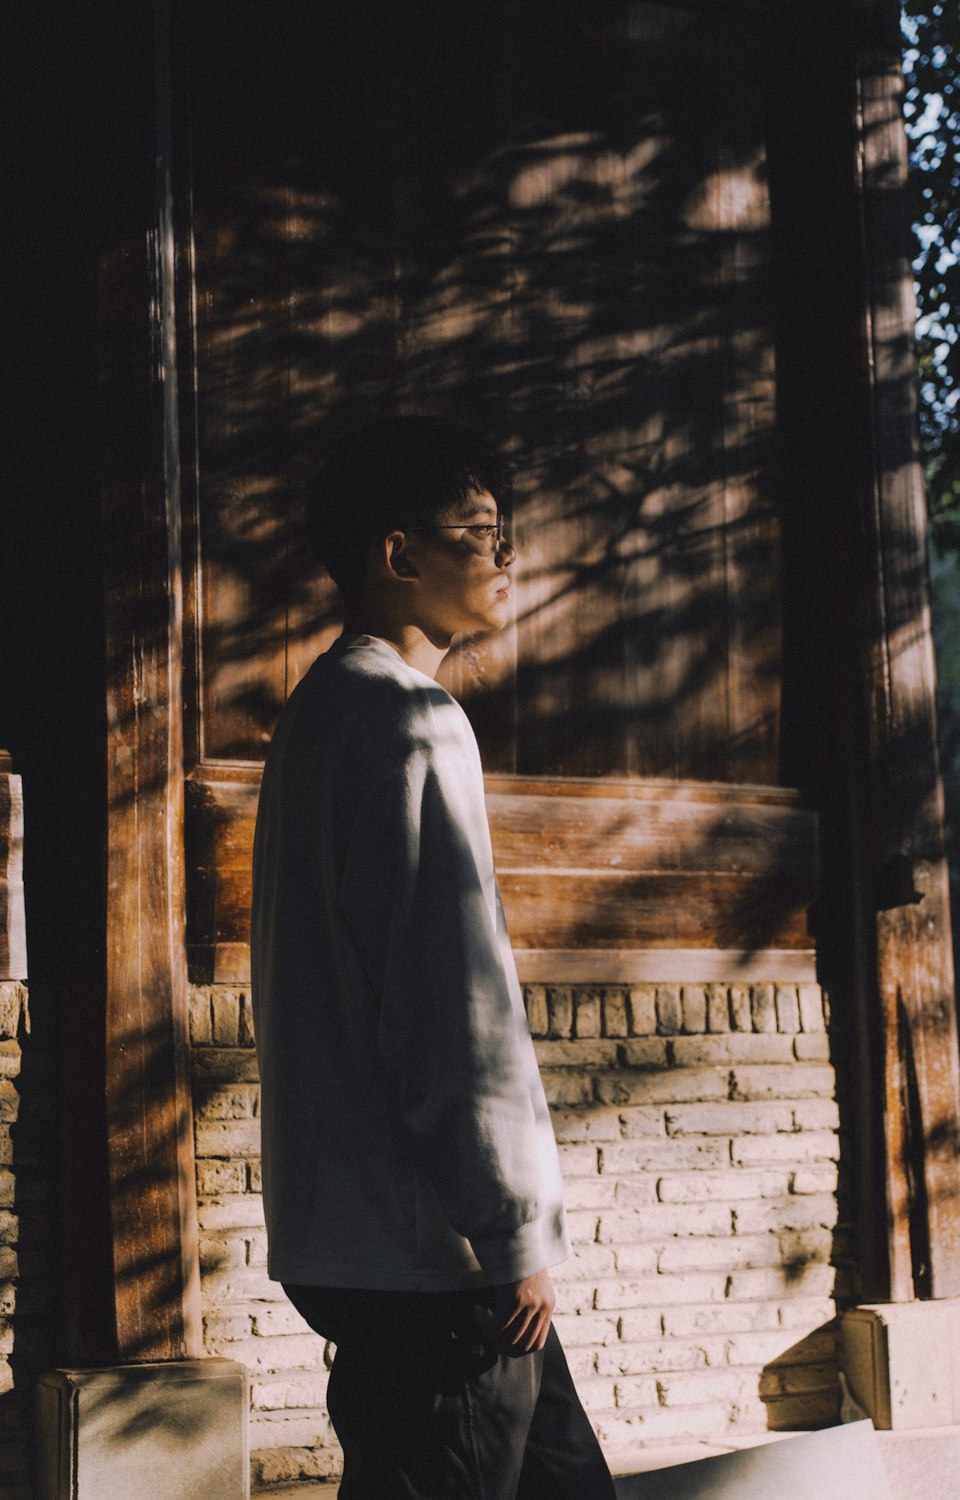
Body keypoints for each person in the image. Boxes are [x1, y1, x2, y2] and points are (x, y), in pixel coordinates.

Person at [250, 415, 616, 1499]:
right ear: (397, 554)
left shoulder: (319, 712)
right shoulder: (410, 720)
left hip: (361, 1242)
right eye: (482, 534)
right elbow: (449, 1010)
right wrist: (510, 1229)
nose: (508, 560)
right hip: (435, 1258)